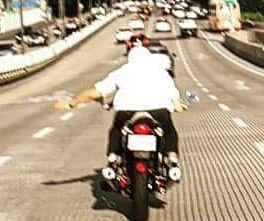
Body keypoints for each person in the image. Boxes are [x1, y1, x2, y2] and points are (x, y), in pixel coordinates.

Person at [53, 45, 183, 176]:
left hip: (127, 112)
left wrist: (71, 104)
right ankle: (172, 158)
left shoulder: (122, 71)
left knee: (116, 130)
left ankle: (113, 158)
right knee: (169, 131)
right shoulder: (161, 72)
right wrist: (178, 106)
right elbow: (176, 103)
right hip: (158, 111)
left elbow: (95, 93)